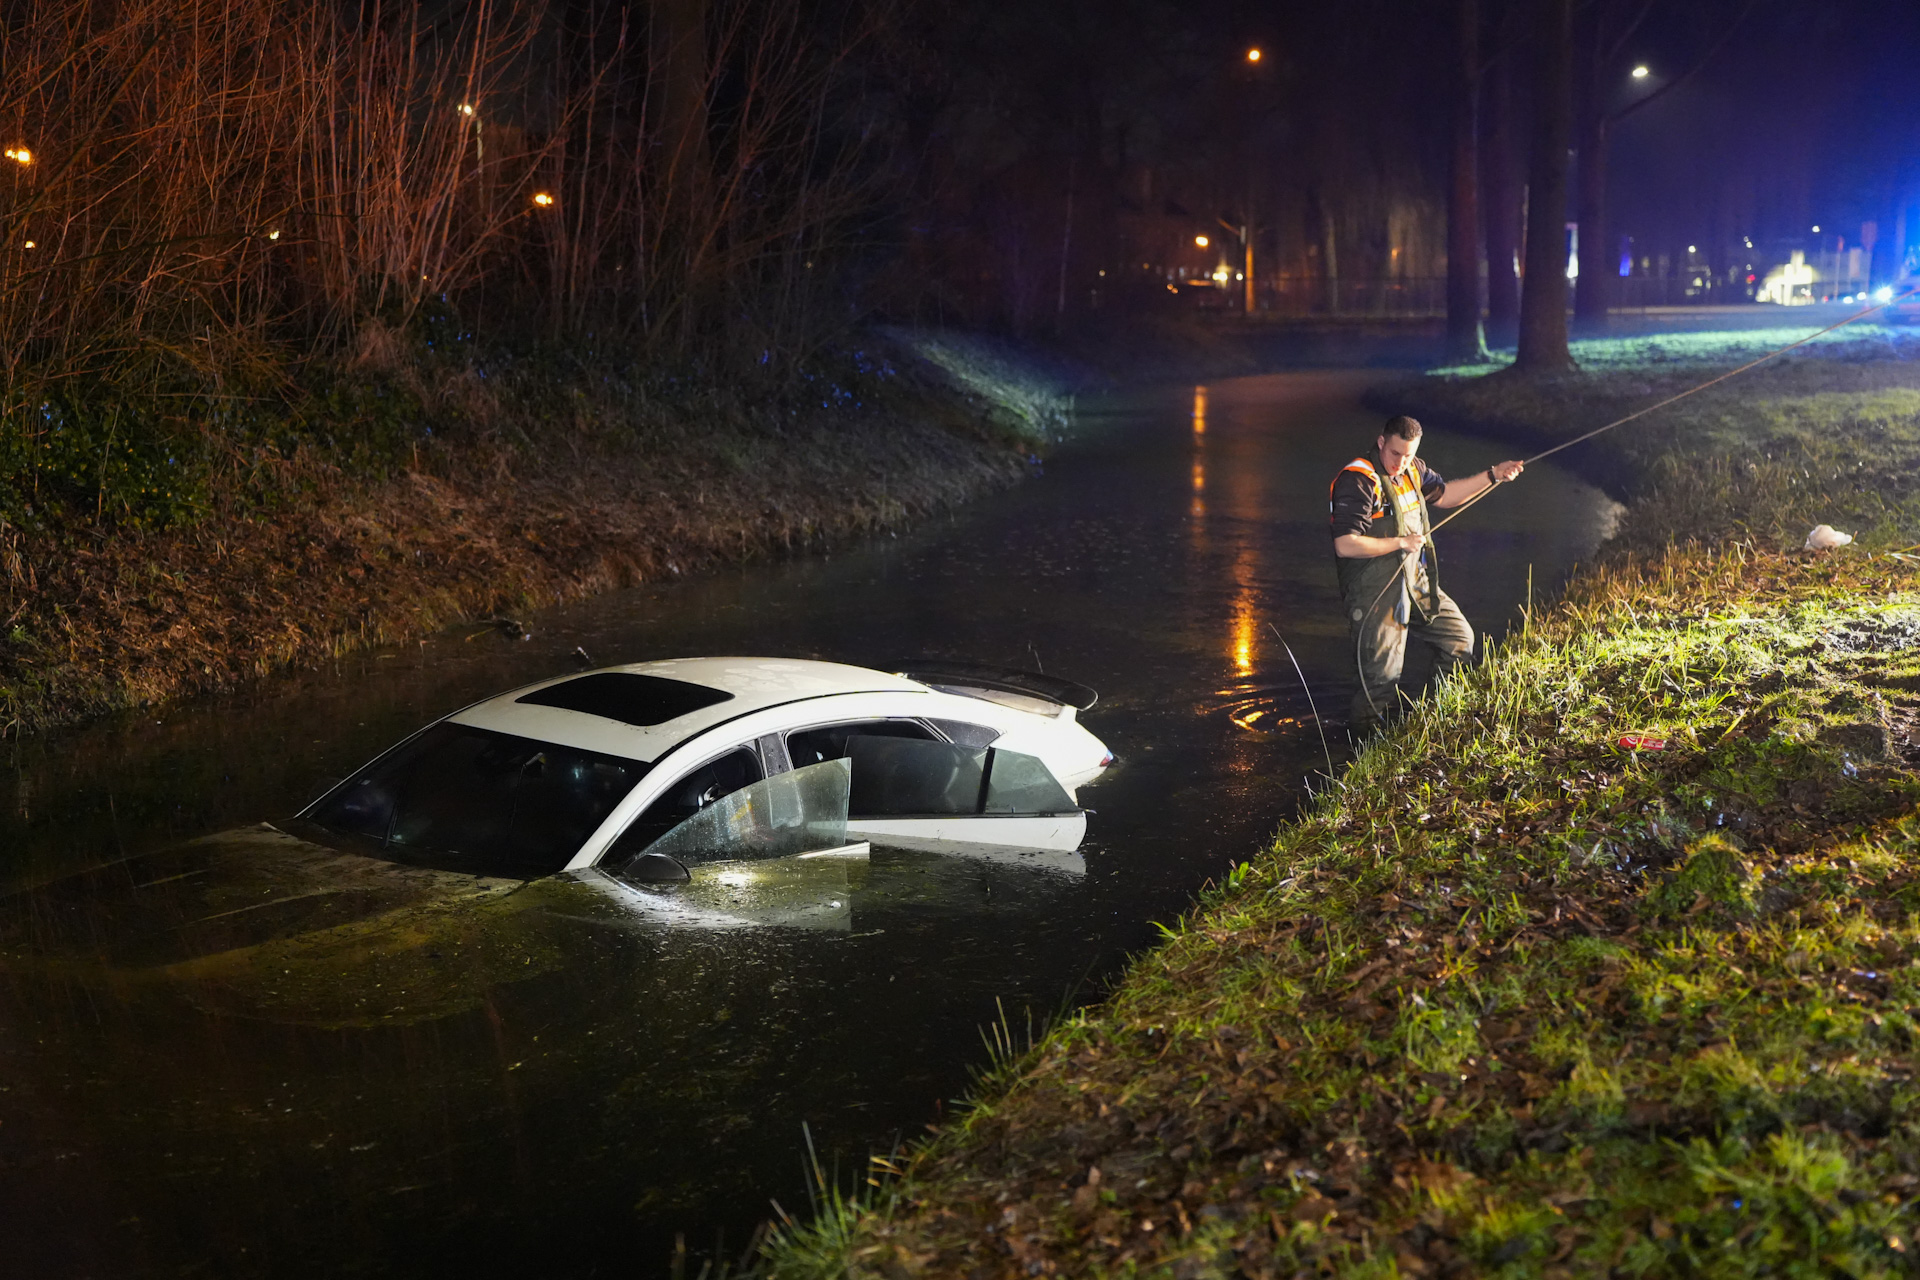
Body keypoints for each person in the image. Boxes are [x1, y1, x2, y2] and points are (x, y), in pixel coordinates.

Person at [1328, 415, 1524, 732]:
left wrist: (1493, 475)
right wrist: (1399, 543)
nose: (1401, 463)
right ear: (1381, 442)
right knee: (1380, 681)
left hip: (1416, 584)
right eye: (1395, 454)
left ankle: (1428, 725)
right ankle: (1360, 750)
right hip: (1376, 593)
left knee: (1458, 641)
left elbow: (1444, 495)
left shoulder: (1414, 469)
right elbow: (1345, 545)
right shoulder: (1358, 480)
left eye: (1408, 455)